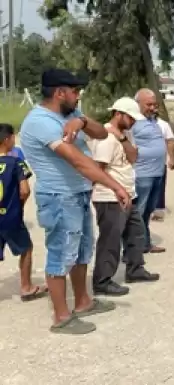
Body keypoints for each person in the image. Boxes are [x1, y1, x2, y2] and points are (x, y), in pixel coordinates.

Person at [21, 68, 132, 334]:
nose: (78, 95)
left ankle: (83, 301)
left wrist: (81, 122)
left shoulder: (69, 115)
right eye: (75, 91)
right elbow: (79, 161)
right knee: (61, 253)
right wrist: (115, 186)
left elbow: (102, 133)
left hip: (78, 194)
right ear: (60, 92)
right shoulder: (41, 122)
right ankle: (61, 317)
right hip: (59, 197)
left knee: (82, 251)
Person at [89, 97, 160, 296]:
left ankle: (135, 269)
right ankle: (102, 281)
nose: (134, 122)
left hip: (128, 193)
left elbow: (133, 157)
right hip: (109, 196)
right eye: (131, 118)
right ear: (118, 114)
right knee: (110, 240)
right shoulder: (104, 137)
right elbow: (98, 169)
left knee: (136, 233)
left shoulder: (124, 134)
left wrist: (121, 137)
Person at [0, 123, 48, 302]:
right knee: (26, 249)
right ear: (7, 140)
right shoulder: (15, 162)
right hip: (10, 216)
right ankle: (26, 287)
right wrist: (18, 206)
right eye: (13, 137)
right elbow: (25, 190)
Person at [131, 89, 168, 253]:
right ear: (137, 104)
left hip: (157, 173)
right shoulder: (132, 122)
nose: (153, 107)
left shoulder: (153, 121)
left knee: (148, 211)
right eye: (149, 104)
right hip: (142, 174)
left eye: (155, 104)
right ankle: (133, 248)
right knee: (138, 212)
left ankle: (145, 243)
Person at [151, 116, 174, 221]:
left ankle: (158, 211)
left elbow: (170, 142)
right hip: (141, 163)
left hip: (159, 162)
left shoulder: (163, 125)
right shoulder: (136, 122)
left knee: (159, 186)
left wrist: (171, 159)